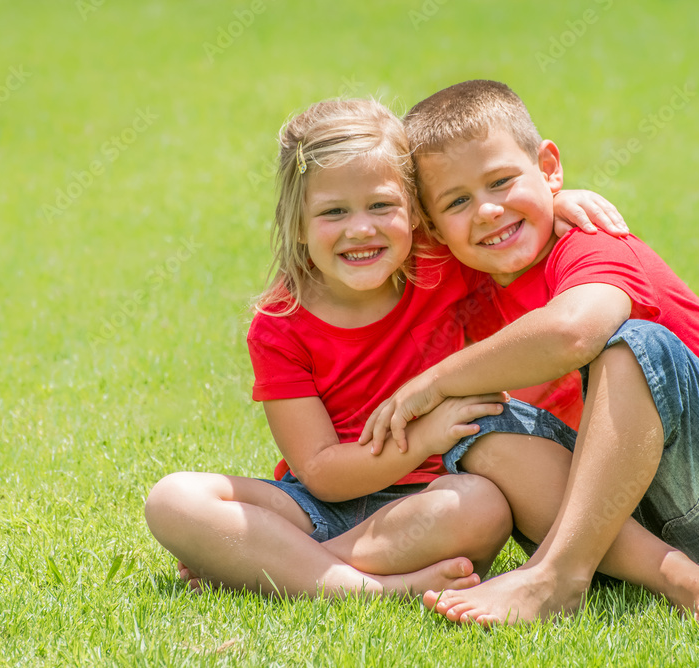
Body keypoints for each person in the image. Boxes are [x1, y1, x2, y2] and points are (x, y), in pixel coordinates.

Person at [362, 80, 699, 625]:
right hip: (620, 525)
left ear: (549, 167)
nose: (487, 211)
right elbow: (364, 240)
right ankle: (668, 574)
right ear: (432, 224)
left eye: (502, 181)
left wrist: (434, 380)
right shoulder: (464, 268)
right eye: (458, 201)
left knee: (633, 345)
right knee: (475, 421)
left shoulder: (592, 241)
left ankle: (556, 577)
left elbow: (574, 331)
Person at [144, 97, 623, 599]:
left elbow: (498, 229)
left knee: (482, 506)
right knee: (173, 498)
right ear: (297, 223)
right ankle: (370, 587)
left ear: (415, 212)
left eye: (381, 205)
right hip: (315, 509)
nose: (361, 229)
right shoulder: (279, 324)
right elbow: (323, 473)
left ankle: (275, 565)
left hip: (428, 506)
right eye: (333, 211)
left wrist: (556, 202)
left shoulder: (441, 265)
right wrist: (424, 438)